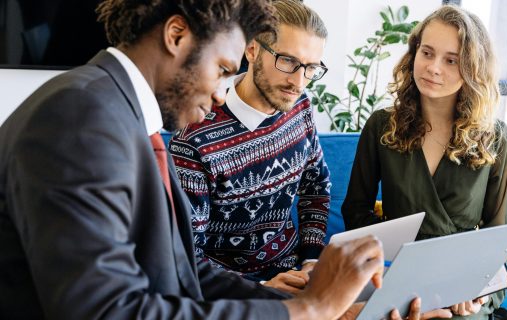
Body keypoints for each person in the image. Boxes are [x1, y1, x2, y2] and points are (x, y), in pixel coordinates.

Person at [0, 0, 449, 319]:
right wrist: (310, 310)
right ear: (177, 36)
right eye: (221, 69)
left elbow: (182, 271)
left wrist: (327, 309)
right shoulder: (79, 118)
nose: (221, 92)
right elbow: (107, 310)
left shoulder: (114, 112)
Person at [341, 5, 507, 320]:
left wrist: (478, 292)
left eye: (451, 60)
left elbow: (498, 236)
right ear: (414, 54)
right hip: (400, 282)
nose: (434, 68)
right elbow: (355, 212)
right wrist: (394, 270)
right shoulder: (382, 126)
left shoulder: (495, 137)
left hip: (462, 293)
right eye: (427, 53)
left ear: (473, 68)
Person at [170, 0, 330, 294]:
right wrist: (262, 287)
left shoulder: (300, 106)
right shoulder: (195, 140)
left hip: (297, 276)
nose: (299, 81)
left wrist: (311, 260)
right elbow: (186, 254)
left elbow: (316, 186)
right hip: (235, 294)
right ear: (253, 49)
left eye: (310, 68)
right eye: (287, 61)